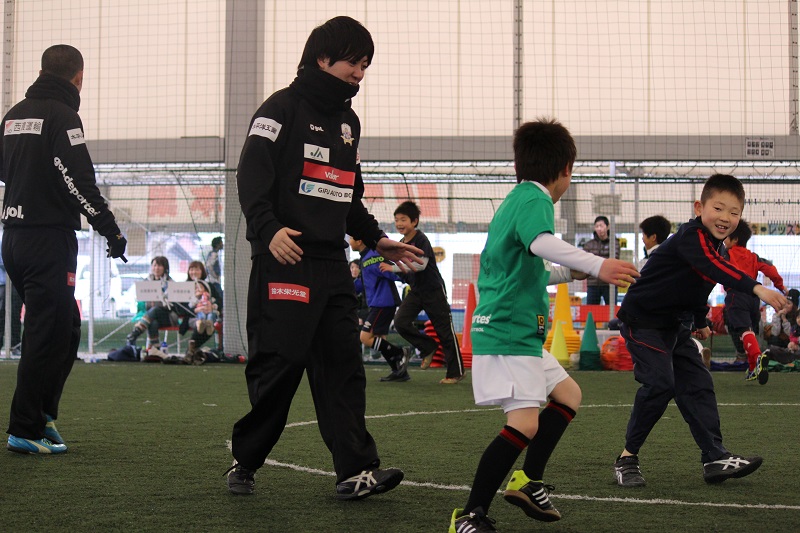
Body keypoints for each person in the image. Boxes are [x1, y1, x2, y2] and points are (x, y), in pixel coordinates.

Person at [230, 16, 423, 500]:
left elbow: (347, 196)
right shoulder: (279, 108)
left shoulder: (348, 123)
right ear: (322, 58)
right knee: (281, 366)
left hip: (334, 266)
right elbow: (250, 176)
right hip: (286, 260)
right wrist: (268, 230)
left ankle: (355, 471)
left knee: (343, 367)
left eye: (366, 65)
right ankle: (246, 459)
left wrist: (377, 240)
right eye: (354, 63)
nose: (360, 73)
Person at [449, 119, 640, 531]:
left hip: (515, 331)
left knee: (568, 395)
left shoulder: (515, 199)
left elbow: (526, 267)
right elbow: (540, 244)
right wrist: (597, 264)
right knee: (523, 423)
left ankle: (527, 481)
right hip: (507, 330)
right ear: (565, 170)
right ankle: (469, 515)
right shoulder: (536, 198)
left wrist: (571, 273)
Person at [612, 174, 790, 488]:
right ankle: (627, 459)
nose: (725, 218)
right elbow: (711, 268)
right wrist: (758, 288)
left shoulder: (718, 248)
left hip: (674, 325)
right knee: (660, 384)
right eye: (718, 208)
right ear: (699, 207)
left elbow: (699, 286)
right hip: (642, 321)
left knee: (698, 384)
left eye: (734, 212)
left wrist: (700, 320)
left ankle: (714, 457)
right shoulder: (690, 236)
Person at [0, 45, 127, 454]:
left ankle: (41, 416)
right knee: (46, 331)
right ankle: (25, 428)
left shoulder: (13, 115)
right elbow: (77, 179)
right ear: (78, 78)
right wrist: (110, 230)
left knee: (65, 326)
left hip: (13, 239)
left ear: (41, 71)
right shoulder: (63, 116)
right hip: (47, 240)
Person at [380, 200, 465, 384]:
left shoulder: (421, 239)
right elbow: (405, 272)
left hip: (433, 291)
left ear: (414, 221)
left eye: (403, 219)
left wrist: (392, 268)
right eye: (397, 220)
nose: (399, 223)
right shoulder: (400, 244)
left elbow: (421, 264)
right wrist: (392, 270)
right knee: (400, 322)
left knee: (444, 331)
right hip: (416, 292)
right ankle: (428, 347)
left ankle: (455, 372)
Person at [721, 218, 786, 382]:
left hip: (736, 295)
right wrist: (781, 287)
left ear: (735, 239)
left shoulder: (726, 254)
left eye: (726, 236)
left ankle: (757, 357)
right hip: (754, 297)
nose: (724, 240)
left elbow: (714, 268)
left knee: (743, 330)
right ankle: (752, 368)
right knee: (748, 332)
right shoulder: (754, 257)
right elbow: (770, 270)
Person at [350, 237, 408, 382]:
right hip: (381, 303)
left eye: (350, 238)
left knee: (365, 337)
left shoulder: (372, 257)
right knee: (380, 339)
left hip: (383, 303)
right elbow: (364, 282)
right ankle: (398, 371)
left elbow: (390, 271)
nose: (349, 241)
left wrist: (407, 276)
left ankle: (400, 352)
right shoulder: (366, 258)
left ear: (359, 241)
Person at [126, 256, 175, 356]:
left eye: (159, 265)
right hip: (151, 317)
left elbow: (170, 305)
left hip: (168, 317)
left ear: (165, 267)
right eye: (154, 265)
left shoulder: (170, 283)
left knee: (155, 309)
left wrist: (157, 302)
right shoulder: (146, 282)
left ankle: (136, 332)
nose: (156, 268)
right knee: (153, 322)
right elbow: (144, 302)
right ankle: (155, 350)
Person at [582, 215, 621, 304]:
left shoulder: (614, 243)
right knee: (591, 310)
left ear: (607, 227)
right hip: (593, 283)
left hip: (610, 283)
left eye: (601, 226)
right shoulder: (589, 245)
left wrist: (595, 264)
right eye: (597, 226)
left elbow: (614, 260)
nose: (599, 229)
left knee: (612, 309)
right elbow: (585, 261)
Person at [0, 246, 22, 356]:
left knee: (14, 315)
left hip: (15, 284)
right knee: (1, 314)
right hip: (3, 284)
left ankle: (15, 346)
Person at [349, 258, 369, 327]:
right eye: (352, 267)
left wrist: (360, 316)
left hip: (363, 314)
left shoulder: (363, 282)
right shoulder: (349, 283)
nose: (354, 269)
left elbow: (364, 303)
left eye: (357, 267)